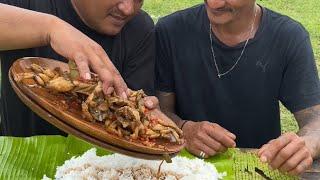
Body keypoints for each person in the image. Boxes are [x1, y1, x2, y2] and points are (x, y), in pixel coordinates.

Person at [155, 0, 320, 175]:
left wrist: (307, 144)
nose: (214, 3)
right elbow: (158, 110)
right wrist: (182, 128)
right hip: (183, 169)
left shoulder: (288, 37)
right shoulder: (171, 30)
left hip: (256, 169)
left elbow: (315, 120)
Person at [0, 0, 155, 137]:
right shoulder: (28, 3)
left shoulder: (139, 28)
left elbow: (133, 110)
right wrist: (50, 28)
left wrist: (146, 112)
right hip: (23, 159)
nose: (127, 9)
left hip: (99, 165)